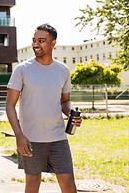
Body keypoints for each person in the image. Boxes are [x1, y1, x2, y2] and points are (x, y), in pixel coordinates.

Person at [6, 23, 82, 193]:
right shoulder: (22, 70)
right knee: (32, 185)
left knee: (69, 184)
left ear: (53, 43)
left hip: (58, 138)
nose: (35, 44)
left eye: (41, 40)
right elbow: (10, 105)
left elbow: (65, 102)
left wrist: (71, 113)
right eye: (34, 40)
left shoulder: (63, 70)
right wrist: (19, 136)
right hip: (30, 139)